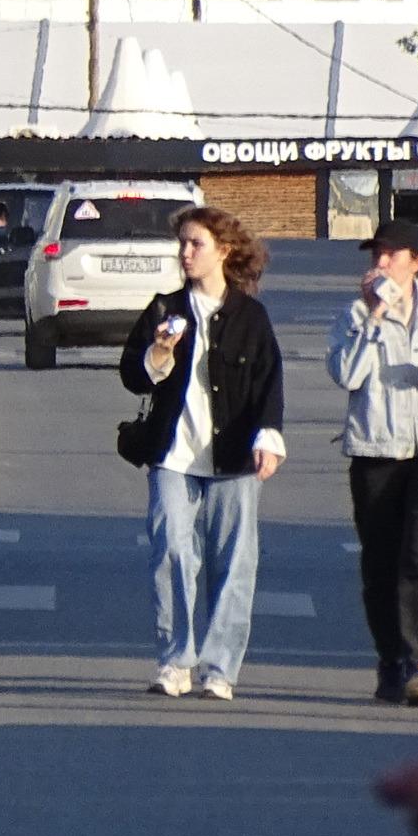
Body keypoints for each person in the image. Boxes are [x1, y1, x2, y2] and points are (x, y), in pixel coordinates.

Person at [118, 205, 285, 701]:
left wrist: (268, 437)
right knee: (170, 550)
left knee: (233, 562)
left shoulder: (250, 317)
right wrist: (159, 354)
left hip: (233, 459)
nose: (186, 254)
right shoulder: (165, 308)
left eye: (196, 245)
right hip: (173, 456)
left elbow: (268, 383)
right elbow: (131, 374)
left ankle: (220, 668)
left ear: (224, 251)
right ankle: (174, 662)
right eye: (183, 244)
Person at [332, 218, 418, 703]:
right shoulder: (354, 312)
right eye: (376, 256)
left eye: (391, 255)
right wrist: (373, 317)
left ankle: (417, 660)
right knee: (381, 564)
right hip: (376, 450)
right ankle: (392, 659)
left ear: (417, 262)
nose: (381, 263)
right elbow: (346, 374)